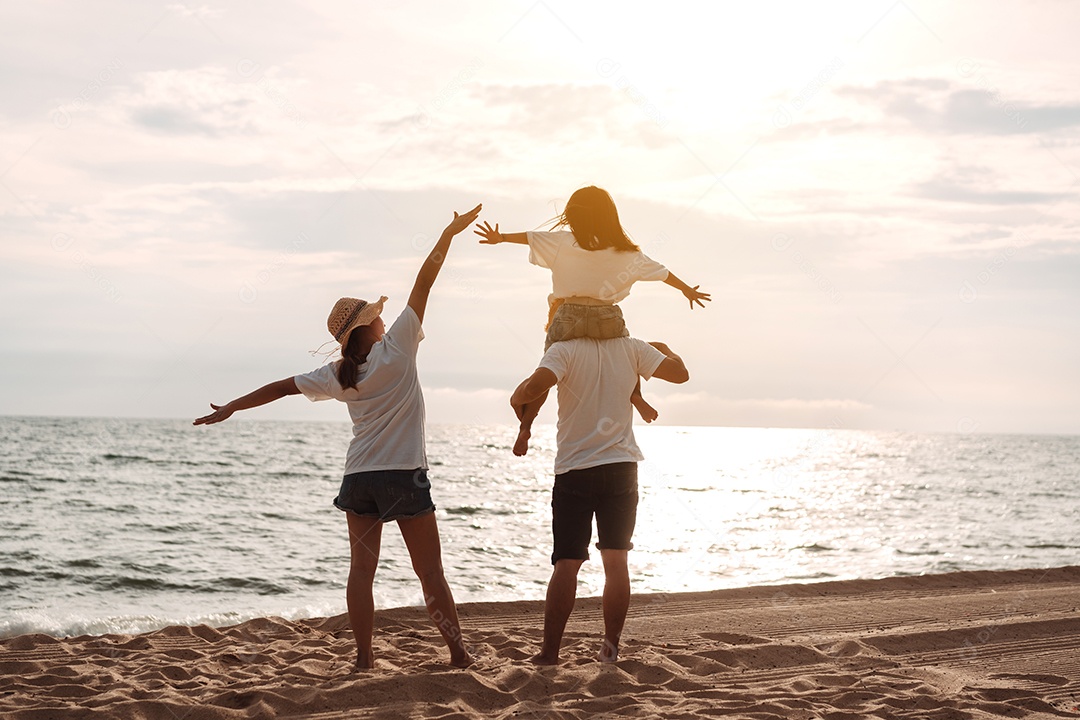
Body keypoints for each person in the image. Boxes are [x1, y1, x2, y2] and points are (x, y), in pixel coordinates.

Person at [194, 204, 483, 670]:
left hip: (360, 479)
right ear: (368, 327)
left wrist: (233, 406)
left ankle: (365, 659)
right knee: (430, 573)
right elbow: (426, 280)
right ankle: (460, 656)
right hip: (404, 477)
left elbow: (281, 387)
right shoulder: (398, 348)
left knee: (361, 573)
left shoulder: (338, 373)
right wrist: (449, 232)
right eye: (376, 317)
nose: (383, 320)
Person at [475, 186, 708, 456]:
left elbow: (529, 238)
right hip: (607, 317)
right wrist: (686, 290)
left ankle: (526, 425)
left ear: (573, 215)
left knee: (549, 367)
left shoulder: (562, 242)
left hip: (567, 316)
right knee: (625, 355)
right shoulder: (626, 253)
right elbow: (663, 273)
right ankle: (637, 397)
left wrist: (501, 237)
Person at [510, 334, 689, 665]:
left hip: (575, 469)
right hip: (621, 468)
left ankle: (549, 654)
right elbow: (680, 373)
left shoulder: (561, 350)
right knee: (616, 560)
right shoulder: (631, 347)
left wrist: (523, 416)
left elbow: (531, 391)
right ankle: (609, 650)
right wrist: (663, 348)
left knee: (567, 562)